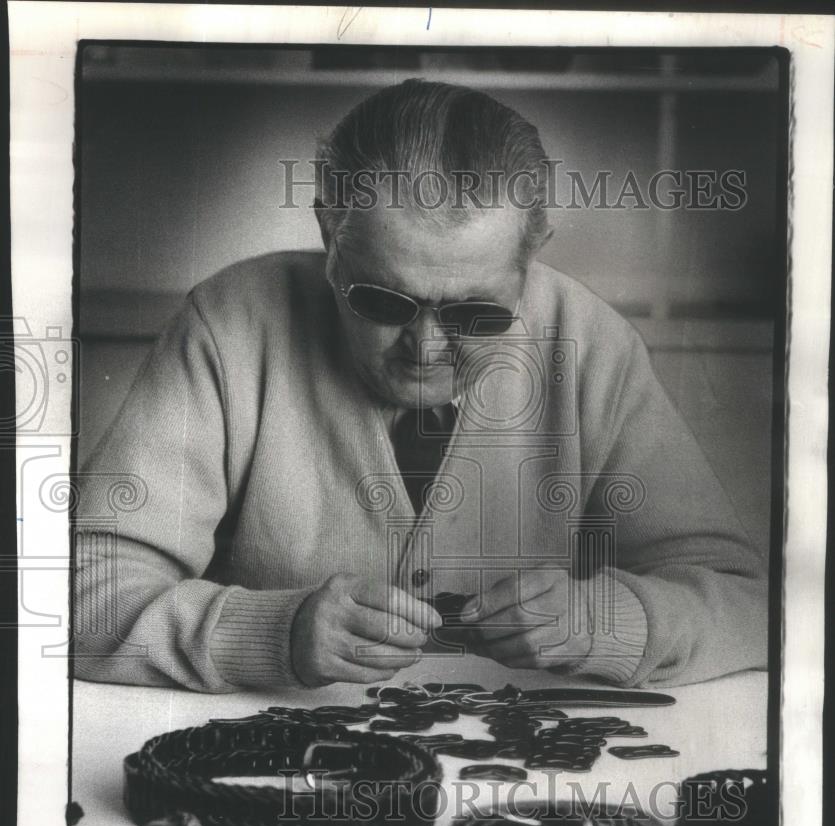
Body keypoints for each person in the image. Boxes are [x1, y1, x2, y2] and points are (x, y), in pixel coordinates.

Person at [74, 78, 767, 693]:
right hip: (268, 765)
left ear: (531, 256)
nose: (427, 348)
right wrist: (271, 632)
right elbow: (81, 594)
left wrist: (613, 621)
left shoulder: (590, 345)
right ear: (328, 231)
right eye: (381, 301)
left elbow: (746, 604)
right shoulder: (229, 323)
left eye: (474, 313)